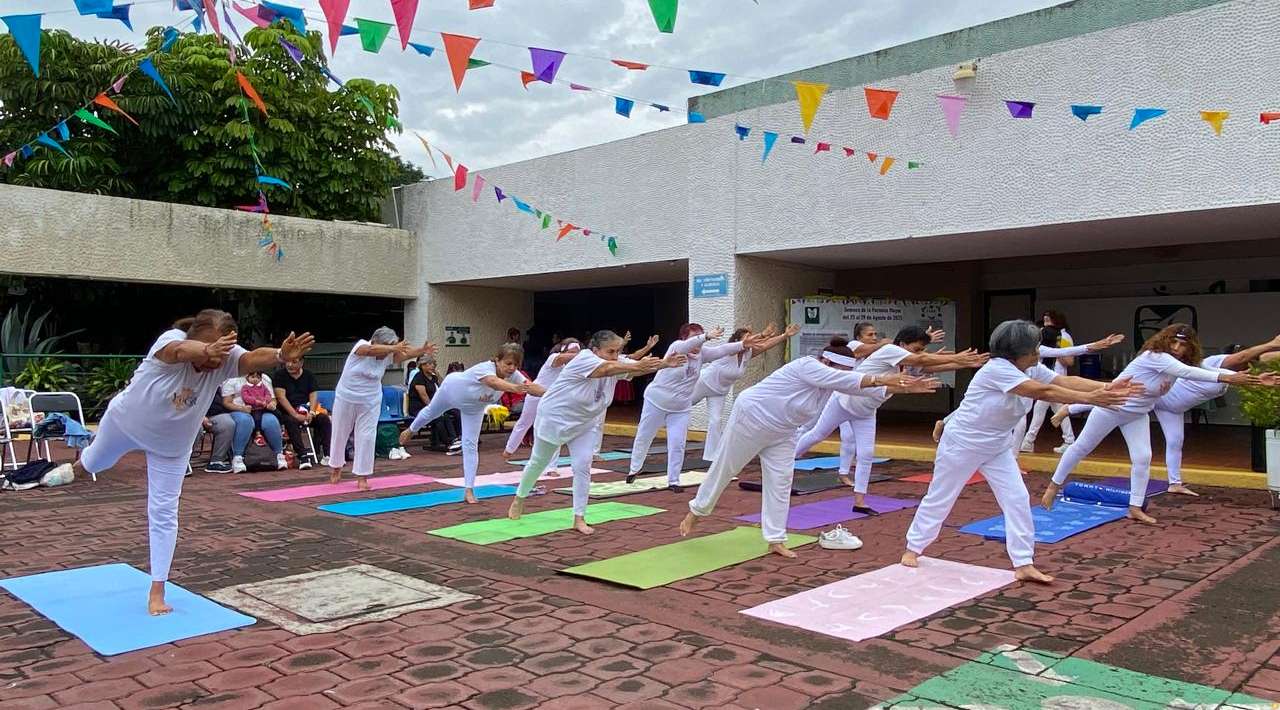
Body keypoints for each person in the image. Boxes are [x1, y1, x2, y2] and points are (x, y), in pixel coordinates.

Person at [71, 309, 313, 615]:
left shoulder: (226, 356)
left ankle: (157, 590)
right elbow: (178, 351)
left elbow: (252, 359)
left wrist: (280, 355)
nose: (216, 363)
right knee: (95, 463)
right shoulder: (172, 339)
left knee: (163, 512)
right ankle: (79, 467)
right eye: (212, 352)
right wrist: (206, 350)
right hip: (125, 425)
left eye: (221, 355)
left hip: (171, 447)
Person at [902, 319, 1140, 583]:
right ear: (1017, 352)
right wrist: (1091, 399)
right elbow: (1044, 391)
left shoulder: (1031, 368)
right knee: (941, 496)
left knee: (1017, 498)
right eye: (1034, 348)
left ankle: (1024, 563)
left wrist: (1107, 387)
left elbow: (1064, 380)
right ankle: (913, 548)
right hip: (963, 444)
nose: (1038, 352)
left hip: (998, 446)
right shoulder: (997, 369)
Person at [679, 343, 939, 556]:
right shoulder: (807, 365)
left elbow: (855, 385)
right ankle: (697, 511)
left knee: (781, 481)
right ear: (826, 362)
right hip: (752, 418)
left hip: (783, 431)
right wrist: (881, 377)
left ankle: (775, 539)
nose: (840, 376)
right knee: (726, 468)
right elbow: (847, 379)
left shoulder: (832, 380)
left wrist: (905, 387)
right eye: (838, 370)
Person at [1042, 324, 1263, 524]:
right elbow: (1188, 372)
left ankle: (1135, 507)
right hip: (1112, 407)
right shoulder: (1155, 356)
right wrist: (1228, 378)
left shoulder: (1178, 363)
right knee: (1082, 447)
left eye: (1183, 345)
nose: (1176, 348)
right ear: (1165, 340)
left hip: (1138, 414)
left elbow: (1204, 370)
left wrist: (1257, 379)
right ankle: (1053, 487)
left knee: (1143, 458)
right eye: (1173, 342)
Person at [508, 331, 685, 533]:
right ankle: (519, 498)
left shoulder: (615, 363)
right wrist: (637, 365)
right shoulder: (584, 358)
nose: (615, 356)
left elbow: (634, 368)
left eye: (618, 351)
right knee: (538, 463)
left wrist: (664, 363)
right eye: (610, 351)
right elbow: (607, 369)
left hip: (583, 424)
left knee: (583, 466)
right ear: (595, 350)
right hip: (555, 419)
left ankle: (579, 517)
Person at [794, 327, 987, 512]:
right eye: (916, 348)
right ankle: (786, 461)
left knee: (866, 454)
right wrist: (957, 358)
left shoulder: (904, 363)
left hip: (867, 411)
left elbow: (929, 364)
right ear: (902, 344)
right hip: (843, 402)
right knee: (817, 435)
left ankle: (859, 501)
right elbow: (922, 359)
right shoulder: (890, 350)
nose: (919, 353)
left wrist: (964, 363)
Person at [400, 343, 545, 503]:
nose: (512, 368)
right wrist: (516, 388)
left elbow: (531, 387)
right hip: (451, 391)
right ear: (497, 360)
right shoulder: (486, 368)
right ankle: (411, 429)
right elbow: (493, 382)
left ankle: (469, 490)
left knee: (470, 445)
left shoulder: (514, 376)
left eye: (516, 365)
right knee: (431, 413)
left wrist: (552, 393)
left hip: (474, 407)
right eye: (508, 363)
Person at [627, 324, 765, 491]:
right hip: (656, 401)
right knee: (645, 435)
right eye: (694, 339)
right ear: (684, 339)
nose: (697, 344)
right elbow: (689, 344)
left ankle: (673, 481)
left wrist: (742, 344)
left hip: (681, 407)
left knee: (678, 443)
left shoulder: (702, 354)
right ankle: (634, 469)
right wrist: (705, 337)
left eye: (700, 339)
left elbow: (722, 350)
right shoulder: (677, 348)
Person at [330, 327, 435, 490]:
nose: (389, 352)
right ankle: (336, 467)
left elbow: (406, 354)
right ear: (376, 341)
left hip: (370, 400)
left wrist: (421, 350)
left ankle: (362, 476)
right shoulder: (362, 346)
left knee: (367, 436)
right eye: (388, 346)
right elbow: (370, 350)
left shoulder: (387, 356)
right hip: (346, 397)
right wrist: (393, 348)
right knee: (340, 432)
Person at [691, 323, 799, 461]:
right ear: (737, 341)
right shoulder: (729, 351)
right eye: (748, 338)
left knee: (716, 421)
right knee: (679, 406)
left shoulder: (747, 353)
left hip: (719, 391)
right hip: (703, 384)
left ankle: (712, 456)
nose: (751, 340)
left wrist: (785, 335)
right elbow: (749, 343)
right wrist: (762, 335)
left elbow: (765, 345)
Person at [502, 338, 582, 466]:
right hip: (535, 395)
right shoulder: (554, 358)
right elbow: (562, 358)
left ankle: (552, 467)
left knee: (554, 428)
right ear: (563, 350)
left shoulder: (573, 368)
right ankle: (509, 450)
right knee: (524, 423)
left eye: (576, 352)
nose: (574, 355)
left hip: (551, 399)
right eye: (571, 352)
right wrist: (582, 356)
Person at [221, 371, 287, 472]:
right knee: (245, 420)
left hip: (261, 410)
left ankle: (279, 455)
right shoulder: (231, 378)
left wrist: (272, 404)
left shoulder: (264, 378)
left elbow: (272, 399)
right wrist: (242, 408)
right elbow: (226, 403)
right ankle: (238, 457)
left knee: (271, 421)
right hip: (238, 410)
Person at [273, 357, 333, 468]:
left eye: (294, 362)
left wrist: (312, 412)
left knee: (323, 419)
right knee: (290, 422)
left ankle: (328, 454)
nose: (289, 365)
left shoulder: (308, 375)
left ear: (301, 362)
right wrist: (295, 415)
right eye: (288, 361)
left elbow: (313, 394)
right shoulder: (279, 375)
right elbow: (281, 397)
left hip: (306, 409)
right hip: (288, 411)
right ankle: (303, 456)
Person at [407, 356, 461, 454]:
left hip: (434, 405)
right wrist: (434, 409)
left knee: (456, 412)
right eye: (430, 364)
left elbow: (443, 386)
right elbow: (424, 396)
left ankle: (458, 438)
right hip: (419, 407)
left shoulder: (433, 377)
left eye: (434, 364)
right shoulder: (419, 378)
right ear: (422, 366)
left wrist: (438, 375)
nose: (433, 366)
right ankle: (449, 441)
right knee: (440, 417)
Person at [199, 397, 236, 473]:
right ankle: (183, 462)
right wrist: (201, 416)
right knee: (195, 428)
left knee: (227, 423)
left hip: (214, 414)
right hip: (191, 415)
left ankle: (216, 461)